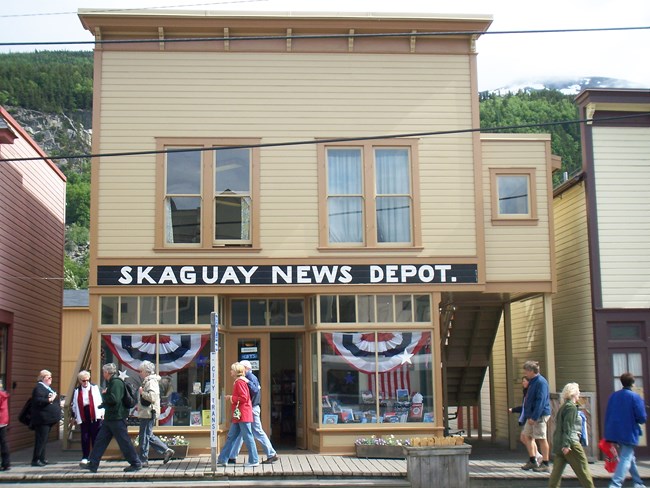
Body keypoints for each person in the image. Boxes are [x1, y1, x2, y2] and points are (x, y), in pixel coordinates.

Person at [80, 363, 142, 473]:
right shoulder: (113, 382)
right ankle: (93, 463)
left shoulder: (116, 382)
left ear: (107, 373)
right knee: (100, 440)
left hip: (117, 417)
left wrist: (105, 394)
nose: (103, 374)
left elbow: (114, 399)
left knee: (124, 441)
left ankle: (135, 463)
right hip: (110, 417)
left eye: (104, 372)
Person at [227, 360, 278, 464]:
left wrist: (246, 381)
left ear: (246, 368)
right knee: (242, 432)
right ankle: (232, 456)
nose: (239, 370)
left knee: (257, 431)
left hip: (252, 409)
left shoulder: (250, 377)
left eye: (241, 367)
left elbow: (254, 390)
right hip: (250, 408)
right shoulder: (249, 377)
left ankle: (271, 453)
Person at [604, 372, 647, 488]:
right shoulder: (635, 397)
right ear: (632, 383)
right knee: (626, 458)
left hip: (615, 431)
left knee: (629, 457)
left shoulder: (613, 396)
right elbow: (641, 417)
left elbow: (609, 413)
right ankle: (615, 484)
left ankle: (638, 482)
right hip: (628, 431)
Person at [548, 382, 595, 488]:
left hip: (560, 442)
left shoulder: (564, 406)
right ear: (573, 394)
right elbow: (568, 427)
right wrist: (566, 444)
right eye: (578, 392)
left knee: (556, 473)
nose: (579, 394)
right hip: (571, 442)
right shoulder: (571, 407)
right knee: (583, 469)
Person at [216, 362, 259, 467]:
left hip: (242, 414)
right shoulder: (240, 381)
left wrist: (231, 398)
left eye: (232, 370)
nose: (230, 371)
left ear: (236, 371)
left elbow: (244, 398)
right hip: (240, 414)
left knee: (247, 436)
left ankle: (254, 460)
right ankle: (222, 459)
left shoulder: (239, 382)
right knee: (231, 436)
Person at [136, 360, 174, 466]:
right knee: (148, 435)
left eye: (141, 371)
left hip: (148, 412)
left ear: (146, 372)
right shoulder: (149, 381)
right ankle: (166, 450)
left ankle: (143, 459)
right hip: (146, 412)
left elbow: (152, 397)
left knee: (144, 436)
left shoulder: (151, 382)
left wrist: (142, 393)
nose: (140, 373)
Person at [520, 360, 551, 472]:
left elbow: (541, 401)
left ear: (532, 371)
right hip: (530, 415)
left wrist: (534, 416)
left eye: (526, 371)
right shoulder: (532, 381)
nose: (525, 373)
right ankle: (533, 460)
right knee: (527, 436)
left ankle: (546, 462)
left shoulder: (541, 382)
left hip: (539, 415)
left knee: (541, 438)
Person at [70, 370, 104, 465]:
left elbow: (99, 401)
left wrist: (102, 413)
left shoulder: (94, 388)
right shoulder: (77, 390)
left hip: (94, 413)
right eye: (84, 380)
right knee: (85, 436)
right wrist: (74, 416)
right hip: (83, 413)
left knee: (95, 435)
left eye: (87, 380)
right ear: (80, 381)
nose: (86, 382)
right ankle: (85, 456)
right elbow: (75, 405)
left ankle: (95, 456)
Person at [30, 370, 61, 467]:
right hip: (42, 419)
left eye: (51, 377)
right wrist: (49, 399)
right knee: (40, 439)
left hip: (48, 418)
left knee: (44, 439)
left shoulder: (47, 388)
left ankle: (42, 458)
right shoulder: (39, 388)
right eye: (48, 377)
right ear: (42, 378)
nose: (50, 379)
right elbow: (37, 400)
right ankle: (36, 459)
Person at [509, 376, 542, 466]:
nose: (523, 383)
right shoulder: (525, 392)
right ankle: (535, 456)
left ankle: (536, 457)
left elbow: (527, 407)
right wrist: (514, 410)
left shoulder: (530, 392)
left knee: (527, 438)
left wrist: (532, 417)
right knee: (525, 438)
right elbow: (524, 407)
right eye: (522, 381)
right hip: (526, 417)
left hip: (530, 418)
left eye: (525, 381)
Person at [0, 380, 10, 471]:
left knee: (3, 442)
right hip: (3, 420)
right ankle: (6, 463)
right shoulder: (4, 394)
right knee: (3, 442)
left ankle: (5, 463)